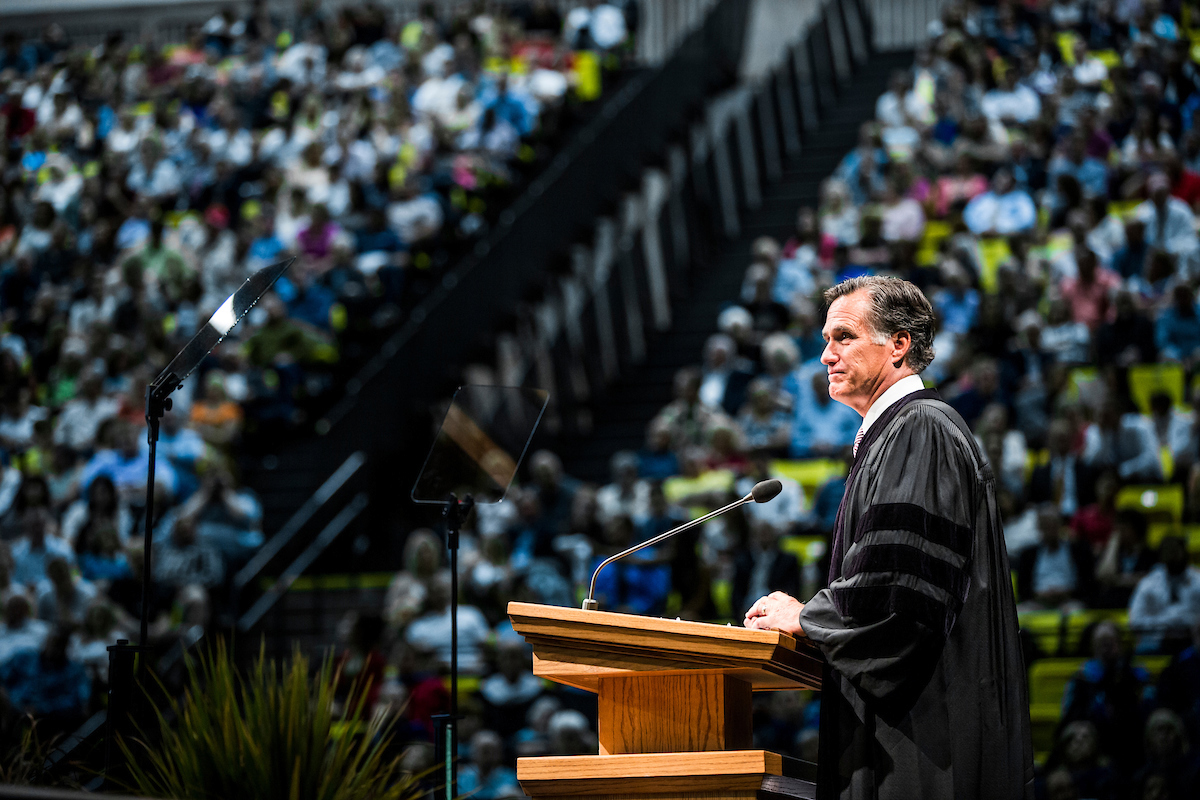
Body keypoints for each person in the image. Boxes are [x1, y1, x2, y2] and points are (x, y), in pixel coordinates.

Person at [743, 276, 1032, 799]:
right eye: (825, 340)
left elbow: (899, 593)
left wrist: (805, 618)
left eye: (844, 337)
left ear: (898, 344)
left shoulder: (921, 428)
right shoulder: (895, 435)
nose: (826, 355)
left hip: (926, 735)